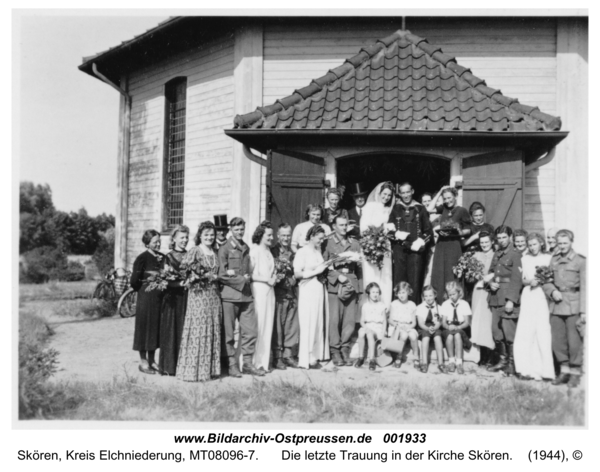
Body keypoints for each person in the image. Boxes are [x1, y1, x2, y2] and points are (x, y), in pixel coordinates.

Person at [218, 217, 264, 377]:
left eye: (242, 229)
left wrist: (248, 277)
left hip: (246, 297)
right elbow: (221, 275)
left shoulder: (245, 247)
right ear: (231, 229)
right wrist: (242, 280)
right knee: (229, 333)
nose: (239, 232)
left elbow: (248, 270)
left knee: (250, 331)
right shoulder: (224, 248)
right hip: (230, 297)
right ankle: (231, 365)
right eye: (236, 229)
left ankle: (247, 364)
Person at [177, 222, 222, 382]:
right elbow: (183, 270)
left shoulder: (216, 252)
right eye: (206, 235)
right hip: (198, 295)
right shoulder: (195, 251)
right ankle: (194, 371)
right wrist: (195, 277)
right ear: (200, 236)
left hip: (214, 296)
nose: (209, 237)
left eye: (212, 235)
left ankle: (210, 370)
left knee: (212, 327)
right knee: (199, 329)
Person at [543, 229, 586, 387]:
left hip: (573, 305)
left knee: (574, 341)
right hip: (556, 304)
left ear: (571, 242)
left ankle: (575, 373)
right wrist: (552, 291)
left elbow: (585, 286)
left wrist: (584, 311)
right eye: (559, 243)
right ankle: (564, 371)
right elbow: (545, 279)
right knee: (558, 340)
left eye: (565, 243)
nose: (562, 246)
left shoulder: (580, 261)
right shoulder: (553, 259)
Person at [513, 233, 554, 381]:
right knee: (526, 331)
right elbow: (522, 280)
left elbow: (551, 277)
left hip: (542, 296)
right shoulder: (524, 259)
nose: (532, 247)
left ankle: (545, 371)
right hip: (529, 295)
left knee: (542, 331)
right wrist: (530, 281)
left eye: (535, 244)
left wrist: (543, 280)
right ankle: (526, 369)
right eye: (530, 245)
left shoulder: (548, 258)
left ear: (541, 244)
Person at [323, 214, 362, 366]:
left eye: (346, 225)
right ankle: (335, 350)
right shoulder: (328, 243)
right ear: (334, 226)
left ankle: (345, 348)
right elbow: (323, 266)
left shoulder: (355, 243)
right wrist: (336, 276)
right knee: (334, 319)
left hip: (351, 283)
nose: (344, 228)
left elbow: (359, 269)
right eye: (341, 225)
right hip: (335, 285)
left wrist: (359, 288)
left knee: (349, 320)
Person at [293, 225, 332, 369]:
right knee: (308, 322)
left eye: (323, 239)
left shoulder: (317, 252)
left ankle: (314, 357)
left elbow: (320, 270)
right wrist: (316, 271)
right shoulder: (302, 252)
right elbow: (297, 274)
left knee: (317, 322)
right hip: (307, 289)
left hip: (318, 289)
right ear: (312, 236)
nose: (321, 241)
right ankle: (305, 359)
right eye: (319, 238)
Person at [486, 225, 523, 376]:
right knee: (496, 331)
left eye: (504, 237)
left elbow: (516, 279)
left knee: (509, 333)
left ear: (510, 237)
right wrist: (490, 283)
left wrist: (511, 300)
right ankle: (502, 361)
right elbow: (490, 272)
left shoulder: (515, 254)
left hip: (507, 297)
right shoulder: (497, 253)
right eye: (499, 238)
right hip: (496, 296)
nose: (501, 240)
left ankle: (512, 365)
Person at [388, 182, 433, 303]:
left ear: (412, 191)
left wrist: (420, 241)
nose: (406, 195)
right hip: (400, 250)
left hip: (415, 251)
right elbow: (389, 231)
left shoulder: (420, 209)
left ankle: (414, 310)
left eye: (408, 192)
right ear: (400, 194)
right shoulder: (396, 209)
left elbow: (429, 231)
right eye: (403, 193)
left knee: (415, 280)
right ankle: (398, 312)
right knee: (399, 280)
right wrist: (396, 234)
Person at [430, 187, 472, 304]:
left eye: (449, 197)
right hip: (441, 245)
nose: (447, 201)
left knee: (451, 273)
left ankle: (455, 302)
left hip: (454, 245)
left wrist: (460, 232)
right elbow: (429, 209)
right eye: (445, 198)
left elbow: (468, 230)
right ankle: (439, 302)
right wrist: (440, 192)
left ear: (455, 196)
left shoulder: (462, 210)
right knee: (439, 272)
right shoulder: (443, 208)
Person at [131, 229, 164, 374]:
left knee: (155, 328)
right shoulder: (142, 258)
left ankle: (152, 360)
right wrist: (145, 288)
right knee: (144, 328)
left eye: (159, 241)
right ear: (147, 243)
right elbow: (134, 282)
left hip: (159, 299)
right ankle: (143, 362)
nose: (158, 244)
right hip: (145, 297)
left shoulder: (162, 258)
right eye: (155, 242)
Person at [158, 225, 189, 376]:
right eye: (182, 237)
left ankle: (184, 365)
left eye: (186, 237)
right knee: (172, 329)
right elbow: (164, 281)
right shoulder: (168, 257)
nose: (185, 240)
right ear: (174, 239)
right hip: (172, 299)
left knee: (184, 329)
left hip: (187, 298)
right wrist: (179, 283)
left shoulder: (191, 255)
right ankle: (169, 366)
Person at [360, 181, 395, 306]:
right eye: (384, 194)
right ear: (379, 193)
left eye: (389, 195)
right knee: (371, 274)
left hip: (385, 245)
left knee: (385, 275)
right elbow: (363, 227)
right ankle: (369, 307)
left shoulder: (389, 209)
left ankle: (384, 306)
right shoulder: (370, 207)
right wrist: (381, 230)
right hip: (371, 244)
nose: (386, 197)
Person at [270, 223, 299, 369]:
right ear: (278, 235)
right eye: (283, 235)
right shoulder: (273, 251)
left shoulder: (294, 253)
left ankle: (288, 354)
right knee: (278, 326)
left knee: (291, 325)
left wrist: (295, 277)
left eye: (288, 235)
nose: (286, 238)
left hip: (291, 292)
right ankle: (277, 356)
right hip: (279, 293)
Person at [249, 222, 277, 373]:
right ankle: (253, 362)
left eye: (272, 235)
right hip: (259, 290)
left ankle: (263, 362)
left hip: (269, 291)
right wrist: (266, 279)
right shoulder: (255, 251)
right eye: (269, 235)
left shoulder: (268, 252)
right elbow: (250, 274)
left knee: (267, 324)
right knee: (258, 325)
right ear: (260, 235)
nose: (272, 238)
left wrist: (273, 278)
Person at [469, 231, 496, 367]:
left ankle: (491, 355)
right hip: (477, 290)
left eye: (487, 242)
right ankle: (481, 355)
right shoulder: (476, 255)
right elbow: (470, 275)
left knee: (487, 322)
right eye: (482, 243)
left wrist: (489, 278)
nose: (484, 245)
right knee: (477, 321)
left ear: (492, 242)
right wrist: (474, 275)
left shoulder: (496, 255)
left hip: (489, 291)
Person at [354, 282, 388, 371]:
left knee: (369, 334)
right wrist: (365, 327)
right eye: (373, 292)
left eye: (377, 292)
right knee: (361, 332)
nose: (375, 294)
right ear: (368, 293)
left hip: (377, 328)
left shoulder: (381, 305)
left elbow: (384, 320)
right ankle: (361, 357)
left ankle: (372, 359)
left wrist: (384, 331)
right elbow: (362, 321)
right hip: (368, 325)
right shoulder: (365, 305)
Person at [440, 281, 472, 375]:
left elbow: (467, 322)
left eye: (454, 294)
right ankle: (451, 362)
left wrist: (458, 327)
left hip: (461, 327)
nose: (452, 296)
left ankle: (459, 363)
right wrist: (448, 326)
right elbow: (443, 322)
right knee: (450, 336)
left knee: (457, 334)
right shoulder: (445, 304)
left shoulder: (465, 304)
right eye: (450, 295)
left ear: (459, 292)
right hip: (449, 327)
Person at [388, 282, 419, 369]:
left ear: (408, 292)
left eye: (403, 292)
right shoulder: (394, 303)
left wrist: (409, 327)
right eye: (399, 293)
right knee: (404, 335)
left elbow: (414, 322)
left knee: (413, 336)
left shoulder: (412, 304)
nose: (401, 295)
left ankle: (416, 356)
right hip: (397, 327)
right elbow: (390, 319)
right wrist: (396, 324)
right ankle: (399, 356)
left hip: (408, 326)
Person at [416, 286, 446, 373]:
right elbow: (420, 323)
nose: (428, 298)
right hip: (424, 327)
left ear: (435, 295)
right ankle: (424, 363)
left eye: (430, 295)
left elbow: (440, 321)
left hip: (435, 326)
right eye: (426, 296)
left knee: (438, 338)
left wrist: (435, 328)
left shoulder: (439, 308)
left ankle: (441, 363)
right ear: (423, 297)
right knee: (425, 338)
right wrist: (427, 328)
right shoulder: (420, 307)